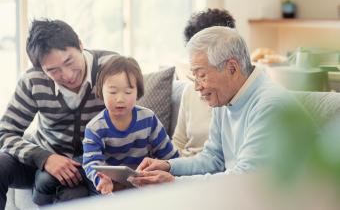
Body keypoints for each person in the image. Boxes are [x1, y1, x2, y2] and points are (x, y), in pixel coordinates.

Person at [128, 26, 306, 186]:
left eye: (202, 75)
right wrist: (168, 166)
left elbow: (244, 179)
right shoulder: (226, 99)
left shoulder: (268, 105)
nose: (197, 86)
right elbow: (213, 159)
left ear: (232, 68)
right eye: (195, 77)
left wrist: (174, 183)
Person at [0, 19, 117, 208]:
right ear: (41, 69)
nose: (68, 75)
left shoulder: (111, 68)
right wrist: (44, 158)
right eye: (53, 71)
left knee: (72, 193)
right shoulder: (33, 81)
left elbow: (135, 119)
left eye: (69, 61)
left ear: (80, 44)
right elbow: (5, 133)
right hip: (44, 161)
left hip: (96, 164)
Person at [82, 56, 178, 194]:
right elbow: (91, 162)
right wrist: (101, 180)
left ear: (137, 92)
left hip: (144, 181)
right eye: (113, 92)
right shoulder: (95, 127)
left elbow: (169, 155)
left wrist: (175, 174)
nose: (120, 99)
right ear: (101, 91)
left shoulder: (148, 118)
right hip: (113, 185)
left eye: (128, 92)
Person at [172, 8, 236, 157]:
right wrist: (169, 167)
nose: (197, 85)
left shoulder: (240, 99)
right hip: (185, 170)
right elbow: (178, 143)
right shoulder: (190, 92)